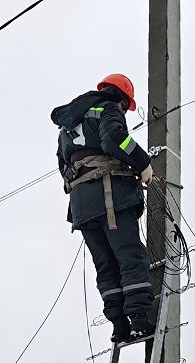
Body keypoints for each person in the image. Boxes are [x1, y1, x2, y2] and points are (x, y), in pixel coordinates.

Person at [51, 73, 156, 344]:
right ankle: (140, 321)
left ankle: (119, 326)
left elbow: (63, 164)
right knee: (130, 255)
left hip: (81, 206)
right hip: (111, 196)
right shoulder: (107, 109)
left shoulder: (68, 124)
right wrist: (142, 164)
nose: (124, 111)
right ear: (121, 99)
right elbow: (115, 139)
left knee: (105, 265)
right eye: (125, 107)